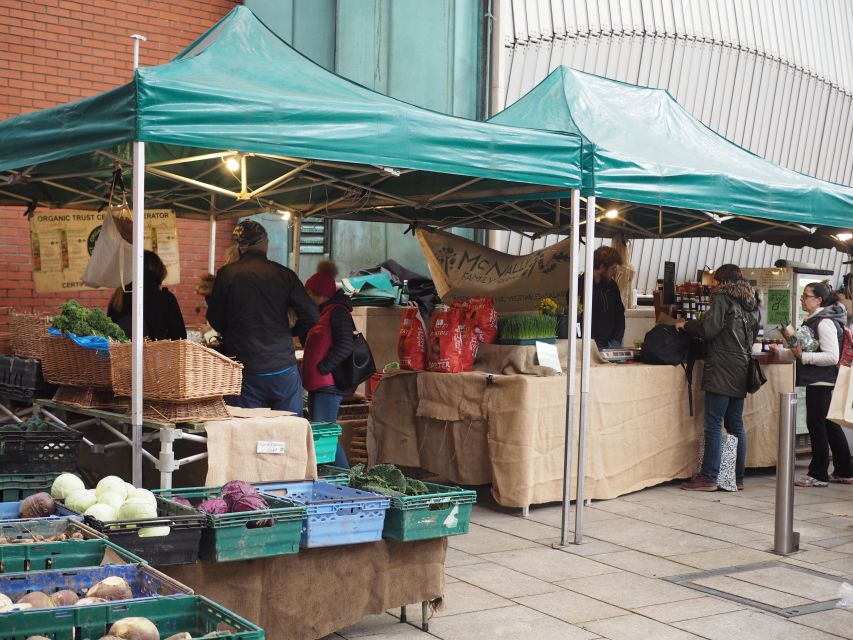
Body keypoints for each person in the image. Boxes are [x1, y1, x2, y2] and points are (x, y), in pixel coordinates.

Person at [206, 220, 318, 413]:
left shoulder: (227, 274)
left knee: (247, 432)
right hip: (282, 367)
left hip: (245, 368)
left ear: (240, 246)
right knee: (289, 430)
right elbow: (312, 315)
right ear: (265, 243)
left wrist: (235, 332)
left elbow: (215, 319)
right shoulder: (284, 274)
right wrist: (291, 332)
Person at [676, 264, 759, 492]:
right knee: (735, 424)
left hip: (722, 366)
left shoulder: (723, 297)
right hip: (742, 367)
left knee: (713, 423)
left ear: (721, 281)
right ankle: (736, 477)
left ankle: (709, 477)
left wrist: (688, 325)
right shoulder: (751, 302)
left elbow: (709, 329)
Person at [787, 282, 853, 487]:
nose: (802, 299)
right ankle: (844, 469)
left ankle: (818, 473)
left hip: (821, 380)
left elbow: (832, 356)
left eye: (806, 296)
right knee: (830, 424)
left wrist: (804, 356)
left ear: (819, 300)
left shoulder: (823, 322)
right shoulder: (819, 319)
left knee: (816, 425)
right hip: (822, 379)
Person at [302, 261, 354, 468]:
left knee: (325, 436)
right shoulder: (324, 313)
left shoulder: (338, 312)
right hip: (319, 386)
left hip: (328, 386)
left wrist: (323, 367)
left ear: (320, 294)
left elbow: (345, 345)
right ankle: (335, 479)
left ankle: (346, 478)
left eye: (310, 295)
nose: (308, 299)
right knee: (321, 435)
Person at [107, 250, 186, 341]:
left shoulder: (118, 298)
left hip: (122, 355)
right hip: (158, 354)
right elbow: (180, 338)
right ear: (159, 271)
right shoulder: (166, 299)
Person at [568, 245, 625, 349]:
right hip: (585, 348)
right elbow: (575, 319)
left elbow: (620, 314)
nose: (615, 272)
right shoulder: (578, 287)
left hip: (609, 346)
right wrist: (581, 343)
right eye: (613, 268)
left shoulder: (612, 286)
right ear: (602, 267)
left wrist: (616, 340)